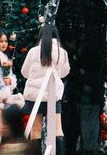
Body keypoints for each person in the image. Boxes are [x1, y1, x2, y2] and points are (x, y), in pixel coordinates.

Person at [21, 24, 70, 155]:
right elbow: (64, 73)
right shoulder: (61, 52)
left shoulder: (33, 51)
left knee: (35, 130)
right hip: (53, 96)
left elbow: (24, 72)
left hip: (35, 96)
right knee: (57, 129)